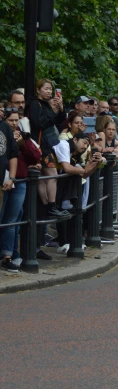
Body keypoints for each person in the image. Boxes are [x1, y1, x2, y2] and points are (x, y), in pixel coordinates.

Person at [0, 110, 41, 271]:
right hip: (8, 180)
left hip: (17, 181)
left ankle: (10, 255)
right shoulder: (3, 128)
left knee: (13, 220)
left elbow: (34, 155)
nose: (14, 123)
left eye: (17, 120)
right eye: (12, 120)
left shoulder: (18, 134)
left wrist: (24, 140)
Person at [27, 79, 67, 220]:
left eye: (51, 89)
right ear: (38, 90)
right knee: (52, 175)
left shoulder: (44, 104)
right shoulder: (35, 104)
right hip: (40, 147)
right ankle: (50, 205)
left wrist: (59, 108)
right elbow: (41, 123)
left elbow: (60, 121)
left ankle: (47, 206)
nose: (49, 92)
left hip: (44, 145)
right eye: (46, 89)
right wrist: (52, 111)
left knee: (45, 178)